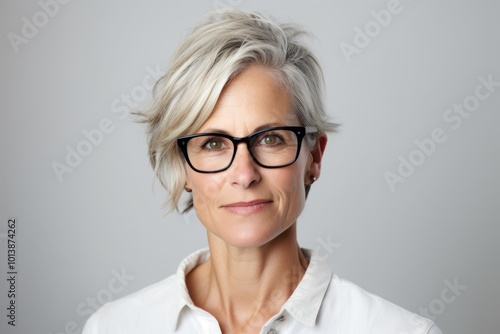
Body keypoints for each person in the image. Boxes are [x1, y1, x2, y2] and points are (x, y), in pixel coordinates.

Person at [82, 8, 443, 334]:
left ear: (313, 157)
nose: (244, 174)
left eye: (270, 139)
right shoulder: (112, 327)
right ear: (183, 168)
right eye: (212, 143)